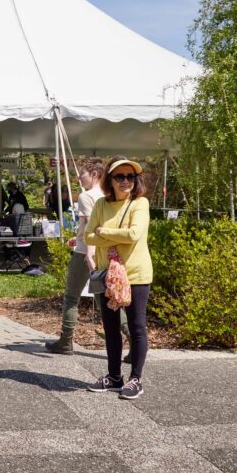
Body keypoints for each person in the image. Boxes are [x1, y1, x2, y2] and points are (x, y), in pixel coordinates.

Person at [85, 157, 152, 400]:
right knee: (111, 327)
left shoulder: (139, 203)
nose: (126, 181)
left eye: (130, 177)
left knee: (136, 326)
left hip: (136, 275)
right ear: (109, 181)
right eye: (119, 177)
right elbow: (89, 237)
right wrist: (110, 236)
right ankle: (114, 376)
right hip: (108, 275)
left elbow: (134, 234)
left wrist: (105, 232)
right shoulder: (101, 204)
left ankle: (136, 378)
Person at [46, 158, 105, 354]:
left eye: (83, 173)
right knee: (106, 300)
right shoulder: (108, 195)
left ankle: (65, 342)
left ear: (94, 174)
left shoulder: (86, 196)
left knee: (71, 297)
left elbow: (90, 226)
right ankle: (133, 340)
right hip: (104, 252)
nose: (79, 177)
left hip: (84, 254)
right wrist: (77, 236)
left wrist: (85, 247)